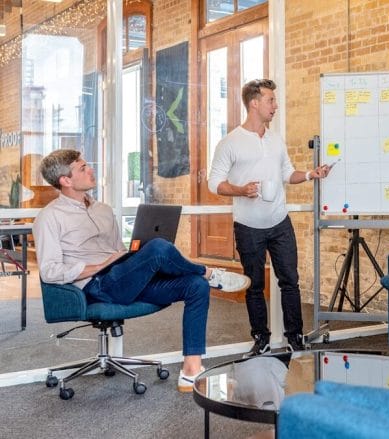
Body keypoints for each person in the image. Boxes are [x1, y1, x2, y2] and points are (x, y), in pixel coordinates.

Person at [33, 149, 251, 393]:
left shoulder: (102, 210)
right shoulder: (49, 217)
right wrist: (99, 266)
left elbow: (118, 250)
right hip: (97, 286)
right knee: (158, 248)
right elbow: (50, 271)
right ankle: (208, 273)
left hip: (122, 278)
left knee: (195, 285)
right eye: (83, 168)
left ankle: (191, 371)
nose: (91, 170)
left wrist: (131, 257)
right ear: (65, 180)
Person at [208, 79, 331, 356]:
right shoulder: (230, 142)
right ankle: (261, 339)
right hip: (248, 226)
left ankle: (294, 337)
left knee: (290, 281)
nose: (275, 106)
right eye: (270, 100)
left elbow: (287, 174)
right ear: (254, 103)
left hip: (279, 222)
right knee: (254, 285)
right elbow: (214, 183)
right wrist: (241, 190)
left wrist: (310, 174)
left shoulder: (276, 140)